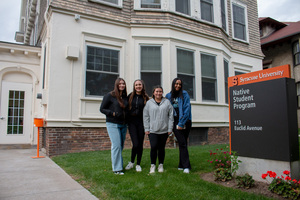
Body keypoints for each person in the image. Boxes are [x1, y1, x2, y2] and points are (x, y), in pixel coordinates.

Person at [100, 78, 128, 175]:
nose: (122, 85)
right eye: (120, 84)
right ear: (116, 85)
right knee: (116, 146)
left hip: (123, 125)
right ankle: (117, 169)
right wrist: (113, 113)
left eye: (123, 84)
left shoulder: (125, 97)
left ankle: (119, 165)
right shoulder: (110, 96)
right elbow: (102, 109)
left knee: (120, 146)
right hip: (112, 124)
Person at [143, 85, 173, 173]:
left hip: (164, 130)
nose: (158, 93)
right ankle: (152, 165)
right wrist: (146, 128)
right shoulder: (149, 103)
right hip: (152, 130)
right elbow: (146, 116)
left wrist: (170, 128)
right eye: (157, 91)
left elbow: (171, 116)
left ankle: (160, 165)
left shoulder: (167, 102)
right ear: (153, 93)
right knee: (153, 147)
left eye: (160, 91)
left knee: (161, 148)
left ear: (162, 93)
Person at [166, 78, 192, 174]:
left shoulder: (184, 94)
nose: (178, 86)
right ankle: (186, 165)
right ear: (173, 84)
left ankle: (183, 165)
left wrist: (181, 123)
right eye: (176, 84)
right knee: (182, 143)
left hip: (185, 120)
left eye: (180, 84)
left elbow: (187, 108)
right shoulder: (168, 96)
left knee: (183, 143)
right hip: (174, 121)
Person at [125, 79, 149, 172]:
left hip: (141, 122)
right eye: (136, 85)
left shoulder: (146, 97)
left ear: (142, 86)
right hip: (132, 122)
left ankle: (138, 164)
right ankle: (131, 162)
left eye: (139, 85)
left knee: (140, 144)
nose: (138, 86)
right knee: (135, 144)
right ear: (134, 87)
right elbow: (125, 108)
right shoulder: (130, 96)